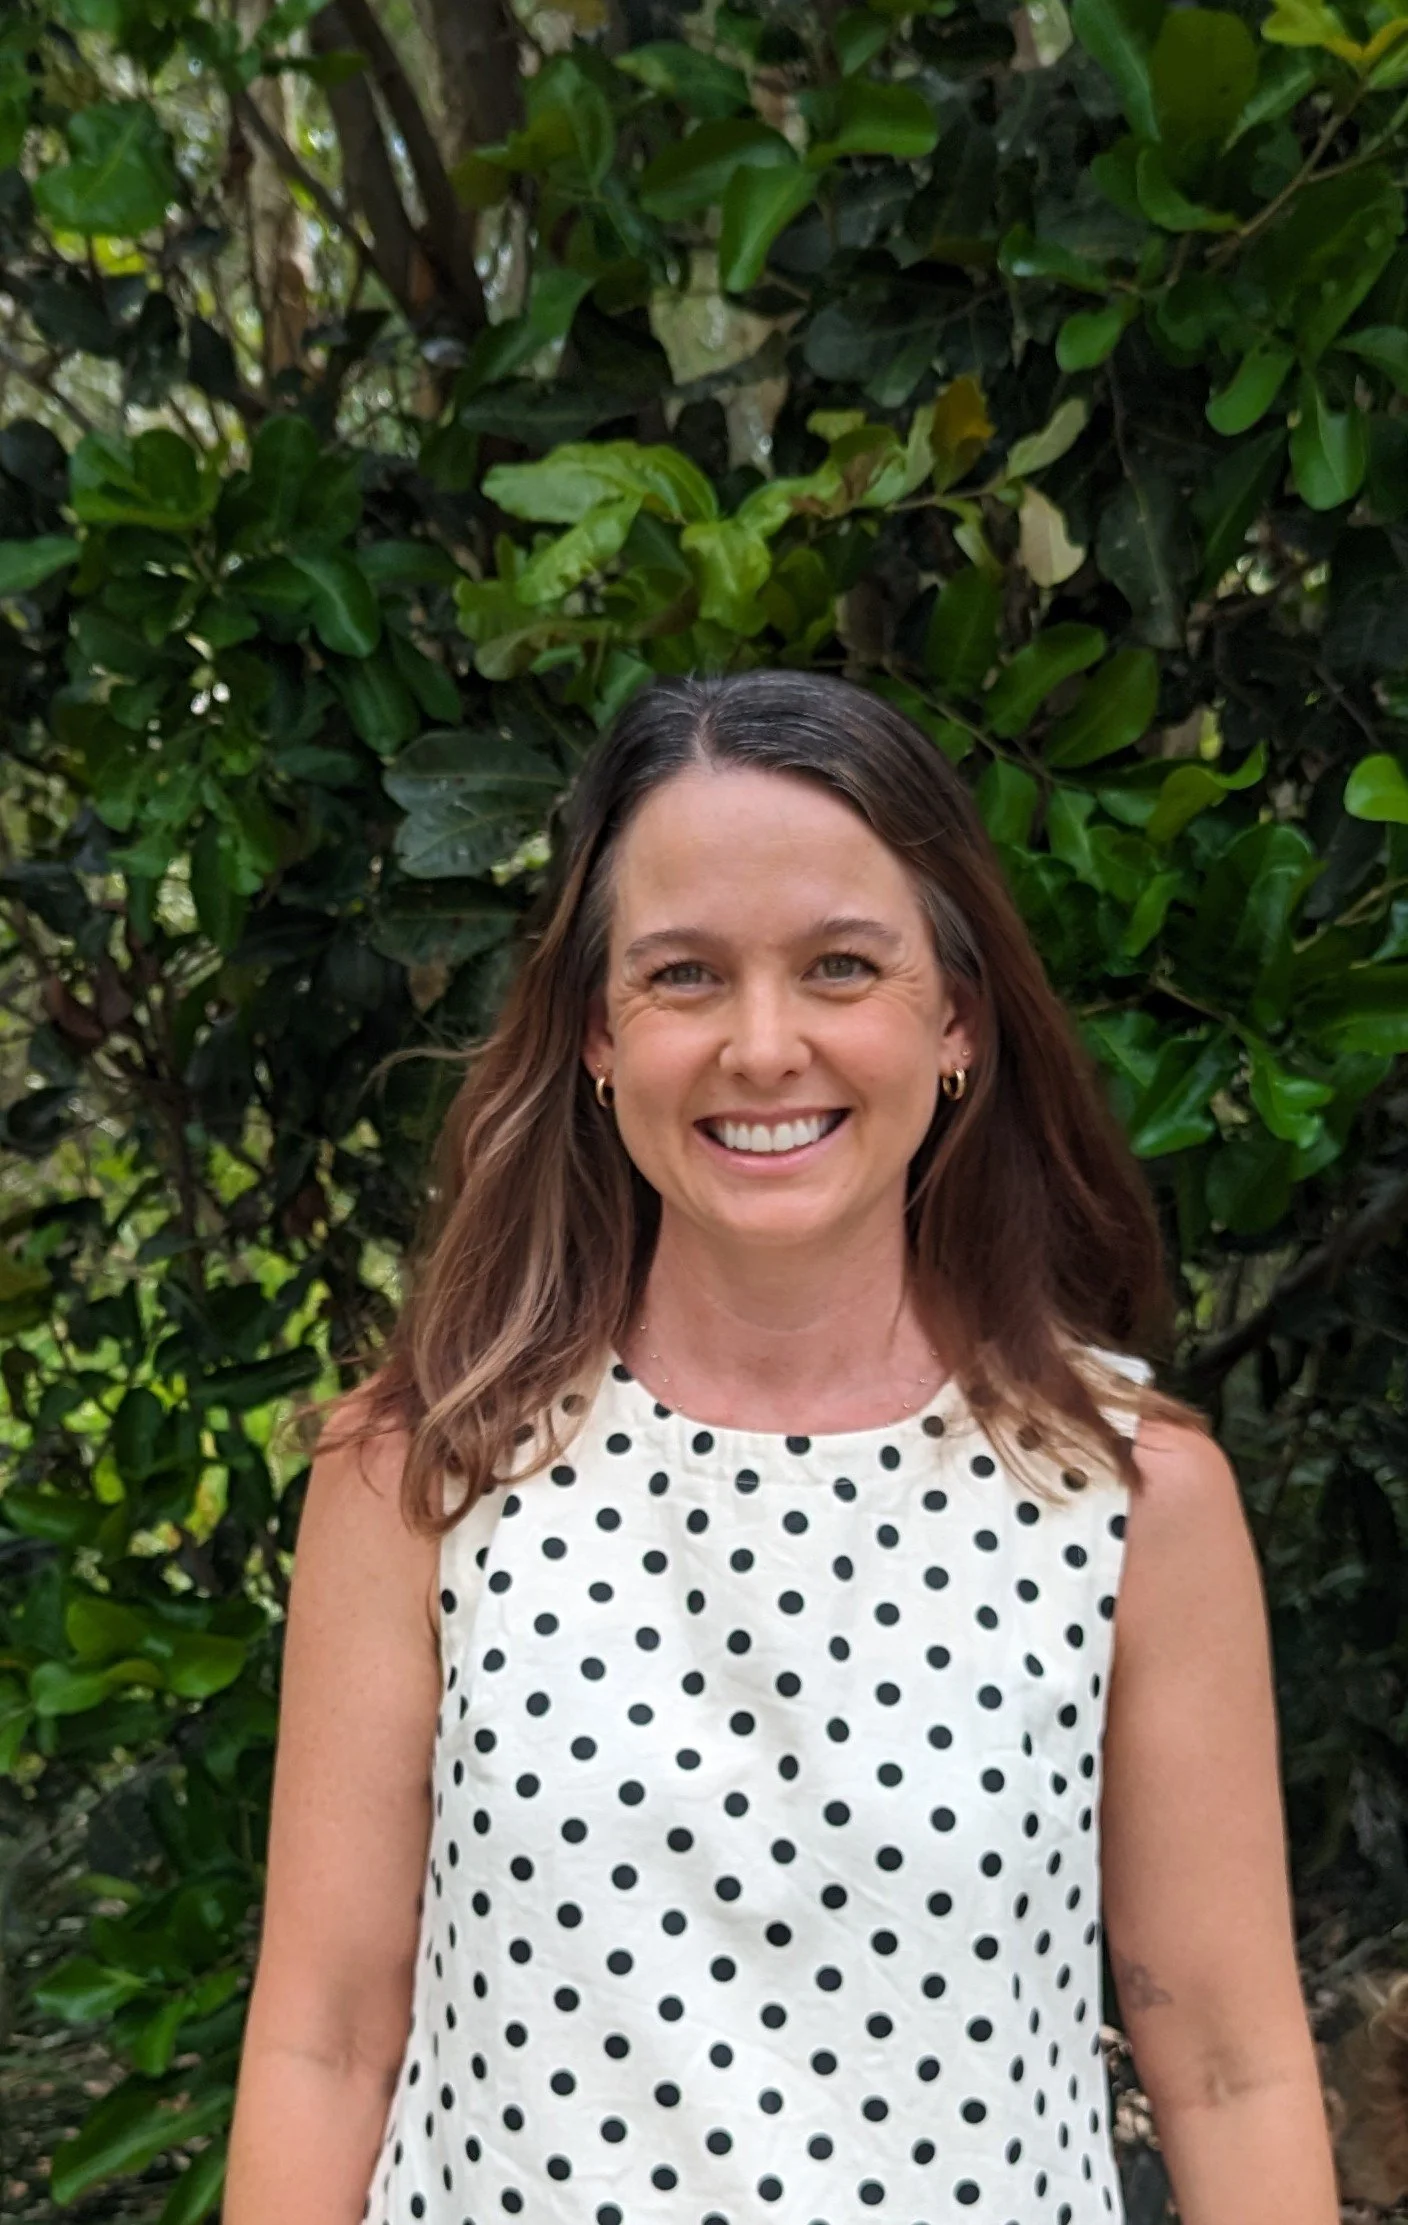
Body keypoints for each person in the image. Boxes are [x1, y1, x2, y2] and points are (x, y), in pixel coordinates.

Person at [223, 671, 1341, 2225]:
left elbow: (1227, 2068)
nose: (763, 1047)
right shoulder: (420, 1479)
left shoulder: (1134, 1502)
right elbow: (327, 2042)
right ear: (597, 1033)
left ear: (955, 1019)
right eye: (684, 975)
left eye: (840, 967)